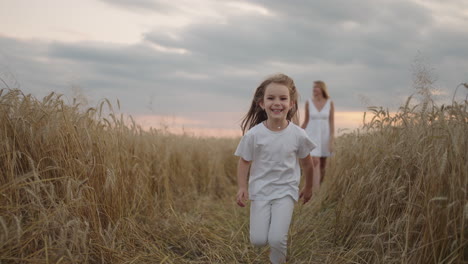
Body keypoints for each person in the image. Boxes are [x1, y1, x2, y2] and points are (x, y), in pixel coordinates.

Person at [235, 73, 316, 264]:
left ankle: (278, 258)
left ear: (292, 103)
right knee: (258, 240)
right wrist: (242, 187)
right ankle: (272, 232)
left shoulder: (298, 135)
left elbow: (307, 163)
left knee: (277, 239)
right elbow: (244, 162)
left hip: (286, 191)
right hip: (260, 191)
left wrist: (309, 187)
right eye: (271, 98)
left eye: (283, 98)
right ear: (262, 104)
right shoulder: (254, 135)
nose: (277, 103)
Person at [301, 80, 335, 186]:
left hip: (324, 136)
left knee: (323, 164)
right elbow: (306, 121)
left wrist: (331, 139)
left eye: (316, 87)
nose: (314, 89)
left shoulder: (329, 102)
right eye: (313, 87)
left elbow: (331, 122)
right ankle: (313, 190)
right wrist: (298, 133)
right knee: (315, 160)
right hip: (312, 135)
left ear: (322, 88)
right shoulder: (309, 102)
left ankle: (319, 188)